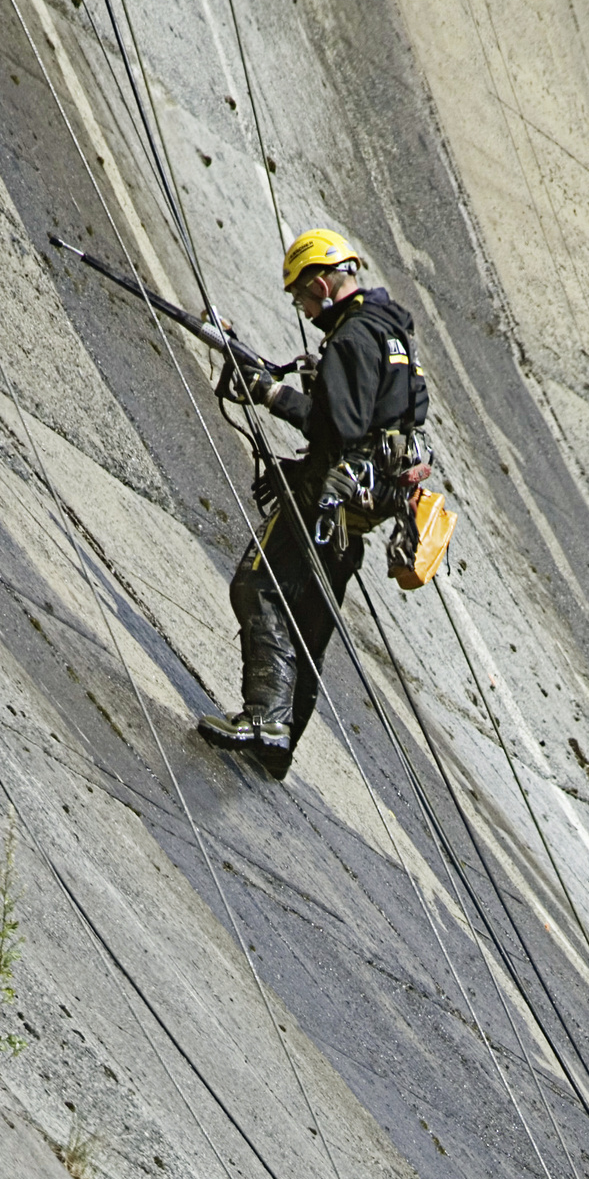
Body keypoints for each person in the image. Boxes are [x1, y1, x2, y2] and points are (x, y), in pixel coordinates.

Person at [197, 226, 431, 782]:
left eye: (301, 296)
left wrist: (272, 393)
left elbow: (337, 428)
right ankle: (279, 748)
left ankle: (266, 719)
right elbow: (386, 417)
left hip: (330, 495)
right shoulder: (392, 333)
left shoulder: (352, 339)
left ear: (323, 284)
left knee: (255, 585)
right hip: (366, 505)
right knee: (309, 621)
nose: (302, 309)